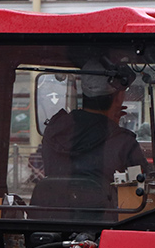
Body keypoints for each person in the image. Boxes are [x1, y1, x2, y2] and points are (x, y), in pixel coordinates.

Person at [37, 64, 148, 209]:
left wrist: (110, 124)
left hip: (50, 222)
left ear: (81, 93)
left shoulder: (52, 133)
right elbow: (141, 190)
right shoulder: (123, 142)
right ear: (119, 97)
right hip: (104, 226)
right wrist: (110, 126)